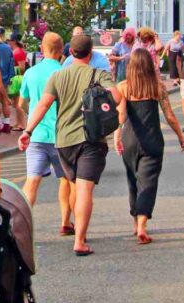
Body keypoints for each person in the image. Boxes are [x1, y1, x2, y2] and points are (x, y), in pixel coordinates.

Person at [19, 32, 123, 256]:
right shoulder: (98, 73)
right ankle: (79, 241)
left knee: (70, 181)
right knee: (83, 189)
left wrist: (28, 130)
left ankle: (29, 229)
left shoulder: (58, 76)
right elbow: (116, 97)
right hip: (89, 138)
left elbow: (43, 105)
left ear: (69, 52)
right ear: (91, 52)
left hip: (63, 140)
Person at [114, 49, 184, 244]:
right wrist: (181, 136)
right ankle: (142, 225)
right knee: (148, 182)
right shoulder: (158, 87)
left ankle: (134, 221)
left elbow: (120, 116)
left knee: (133, 180)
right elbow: (170, 116)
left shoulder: (123, 87)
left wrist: (116, 137)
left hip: (130, 139)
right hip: (152, 140)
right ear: (149, 65)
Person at [19, 32, 73, 235]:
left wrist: (31, 116)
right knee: (65, 180)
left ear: (42, 48)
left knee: (32, 180)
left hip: (36, 134)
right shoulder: (64, 73)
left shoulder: (31, 73)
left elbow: (22, 102)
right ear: (61, 51)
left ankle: (21, 224)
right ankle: (65, 222)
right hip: (62, 135)